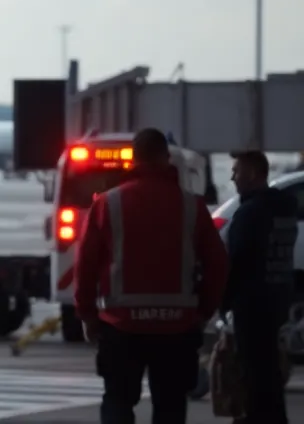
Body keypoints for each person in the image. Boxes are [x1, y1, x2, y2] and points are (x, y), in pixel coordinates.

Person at [74, 127, 228, 424]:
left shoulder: (107, 203)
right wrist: (203, 311)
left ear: (133, 159)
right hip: (176, 328)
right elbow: (217, 265)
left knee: (118, 402)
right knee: (170, 406)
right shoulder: (191, 205)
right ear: (166, 157)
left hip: (120, 327)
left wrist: (87, 316)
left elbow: (85, 265)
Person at [221, 150, 297, 424]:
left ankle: (258, 418)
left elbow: (237, 263)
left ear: (253, 174)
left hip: (252, 303)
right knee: (271, 369)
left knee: (253, 370)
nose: (232, 177)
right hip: (278, 297)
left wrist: (223, 302)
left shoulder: (250, 214)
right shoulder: (285, 207)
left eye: (237, 171)